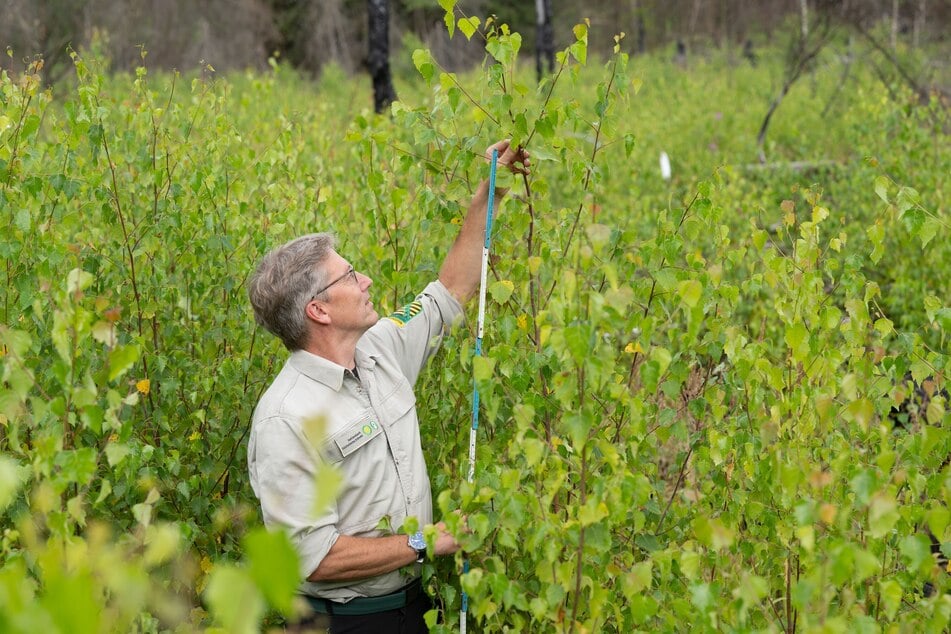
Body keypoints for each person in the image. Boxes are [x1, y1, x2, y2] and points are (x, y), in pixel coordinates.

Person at [246, 139, 530, 633]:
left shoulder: (379, 348)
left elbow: (448, 293)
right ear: (319, 309)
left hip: (414, 607)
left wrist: (490, 195)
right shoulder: (284, 419)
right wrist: (425, 541)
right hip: (343, 622)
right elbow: (314, 559)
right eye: (350, 276)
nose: (367, 280)